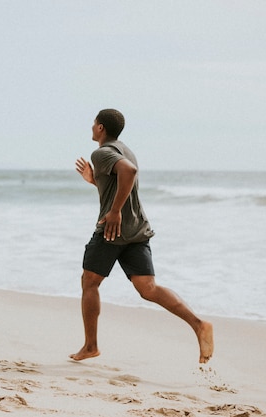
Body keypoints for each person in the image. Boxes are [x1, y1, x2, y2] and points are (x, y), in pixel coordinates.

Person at [69, 109, 214, 364]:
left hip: (112, 231)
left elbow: (129, 172)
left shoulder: (101, 152)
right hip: (137, 230)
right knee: (148, 288)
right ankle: (198, 324)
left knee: (89, 282)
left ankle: (91, 346)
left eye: (94, 123)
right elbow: (122, 180)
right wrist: (95, 181)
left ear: (101, 128)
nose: (91, 127)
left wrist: (114, 212)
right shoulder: (126, 149)